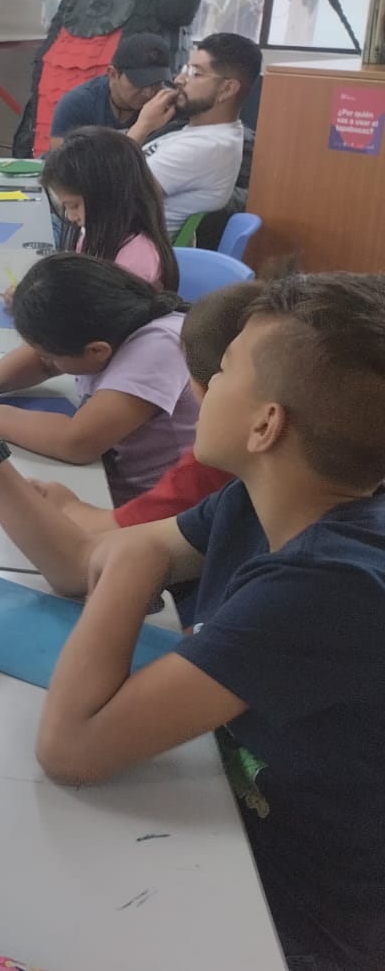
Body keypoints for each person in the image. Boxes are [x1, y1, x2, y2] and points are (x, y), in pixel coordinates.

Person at [33, 272, 385, 970]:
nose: (203, 387)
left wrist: (134, 558)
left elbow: (72, 750)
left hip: (299, 913)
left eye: (221, 372)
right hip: (228, 829)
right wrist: (135, 552)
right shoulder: (259, 499)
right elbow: (104, 557)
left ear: (266, 425)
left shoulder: (332, 584)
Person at [0, 280, 257, 600]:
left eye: (219, 378)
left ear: (266, 420)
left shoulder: (212, 474)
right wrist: (69, 504)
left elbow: (82, 567)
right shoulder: (231, 486)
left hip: (176, 582)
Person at [0, 253, 196, 506]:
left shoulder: (158, 349)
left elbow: (76, 442)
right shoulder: (109, 320)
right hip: (109, 478)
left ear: (96, 350)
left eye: (49, 354)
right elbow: (44, 363)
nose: (43, 360)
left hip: (155, 509)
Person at [127, 32, 261, 236]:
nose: (179, 79)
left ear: (227, 89)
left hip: (116, 257)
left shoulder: (206, 147)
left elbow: (108, 191)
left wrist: (141, 126)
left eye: (195, 73)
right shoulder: (202, 133)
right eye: (185, 69)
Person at [41, 127, 179, 290]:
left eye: (74, 206)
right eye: (66, 207)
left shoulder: (136, 259)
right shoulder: (94, 235)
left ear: (107, 196)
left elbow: (107, 311)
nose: (71, 216)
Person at [47, 32, 173, 150]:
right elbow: (61, 163)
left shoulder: (165, 105)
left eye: (156, 84)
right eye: (139, 83)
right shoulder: (77, 104)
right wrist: (143, 126)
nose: (149, 93)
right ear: (113, 74)